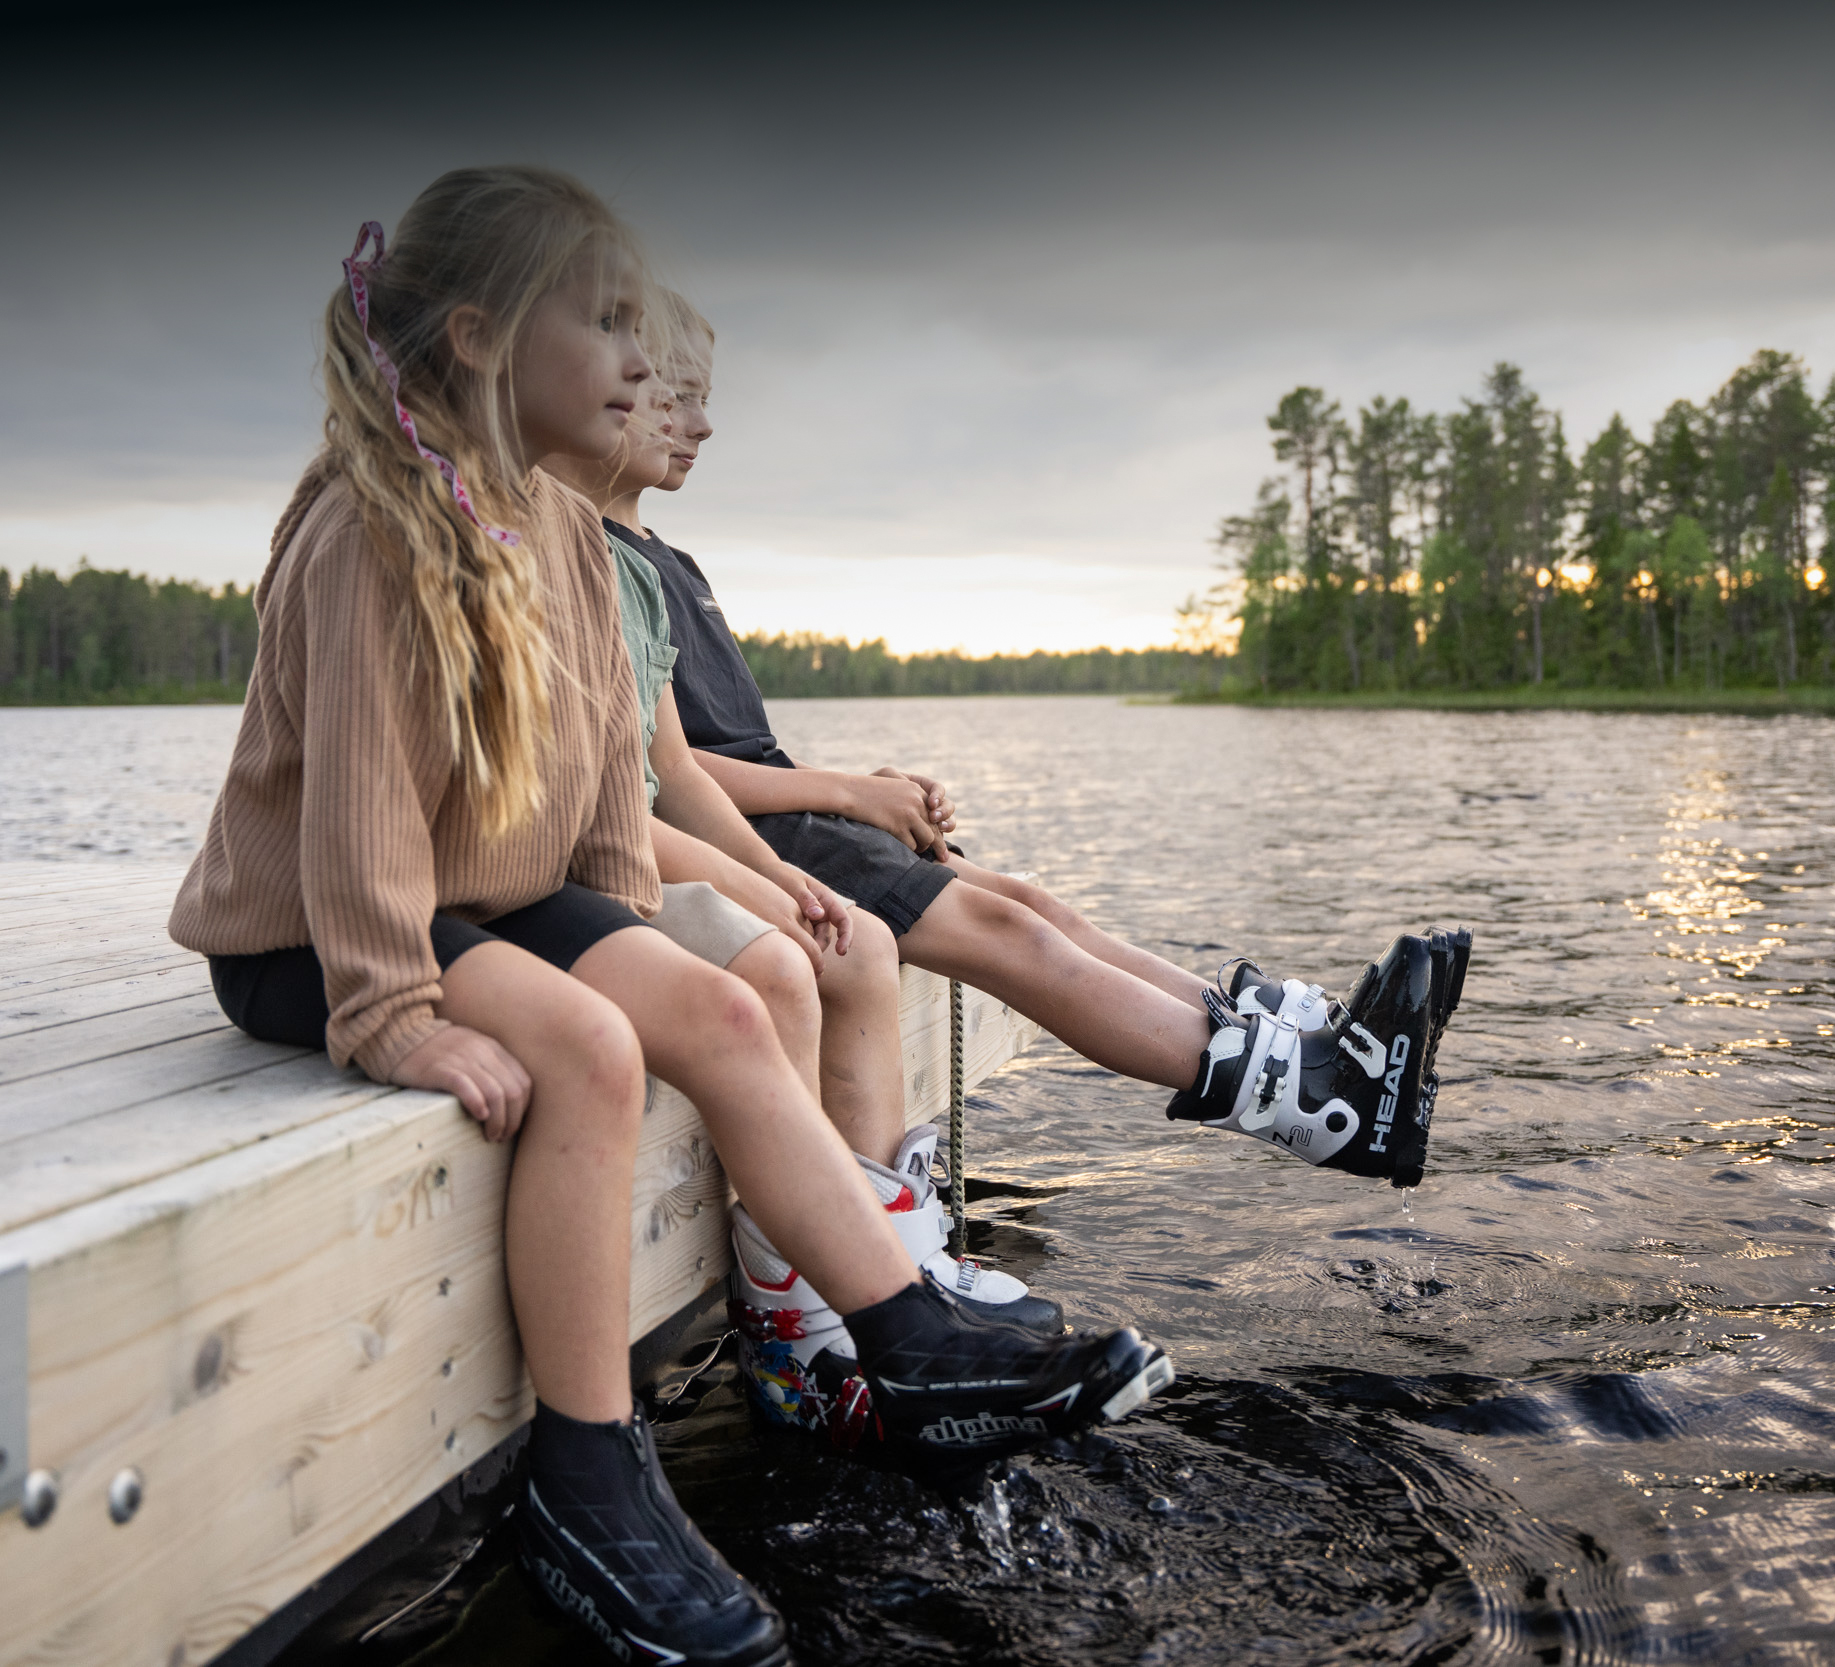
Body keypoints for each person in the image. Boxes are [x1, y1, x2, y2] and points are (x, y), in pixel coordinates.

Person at [168, 167, 1170, 1667]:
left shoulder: (573, 535)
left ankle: (912, 1343)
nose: (644, 361)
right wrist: (392, 1015)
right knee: (588, 1047)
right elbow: (359, 810)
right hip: (318, 929)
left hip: (481, 889)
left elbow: (596, 795)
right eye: (608, 321)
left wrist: (637, 942)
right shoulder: (373, 527)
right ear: (480, 338)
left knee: (714, 1004)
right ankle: (586, 1475)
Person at [620, 292, 1470, 1208]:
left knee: (1034, 903)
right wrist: (849, 796)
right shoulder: (601, 560)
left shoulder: (667, 560)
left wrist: (863, 788)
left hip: (785, 813)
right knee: (1011, 933)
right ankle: (1310, 1099)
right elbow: (666, 772)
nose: (699, 422)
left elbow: (727, 746)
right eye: (675, 395)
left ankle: (1298, 1043)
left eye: (702, 397)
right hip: (753, 840)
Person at [541, 359, 1058, 1352]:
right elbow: (614, 803)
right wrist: (799, 843)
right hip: (575, 866)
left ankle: (882, 1275)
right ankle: (825, 1311)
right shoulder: (558, 551)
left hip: (636, 842)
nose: (688, 419)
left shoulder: (640, 571)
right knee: (809, 960)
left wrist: (779, 873)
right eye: (664, 393)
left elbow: (670, 769)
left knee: (867, 934)